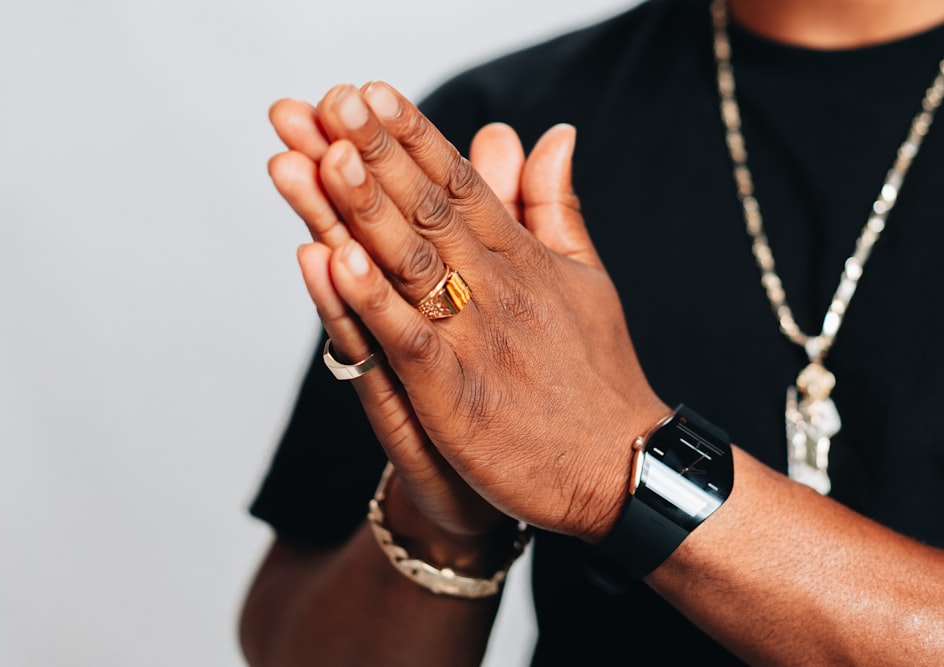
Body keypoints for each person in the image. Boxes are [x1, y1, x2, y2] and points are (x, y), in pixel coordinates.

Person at [240, 0, 944, 663]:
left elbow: (607, 455)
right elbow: (290, 634)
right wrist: (442, 527)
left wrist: (619, 463)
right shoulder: (500, 135)